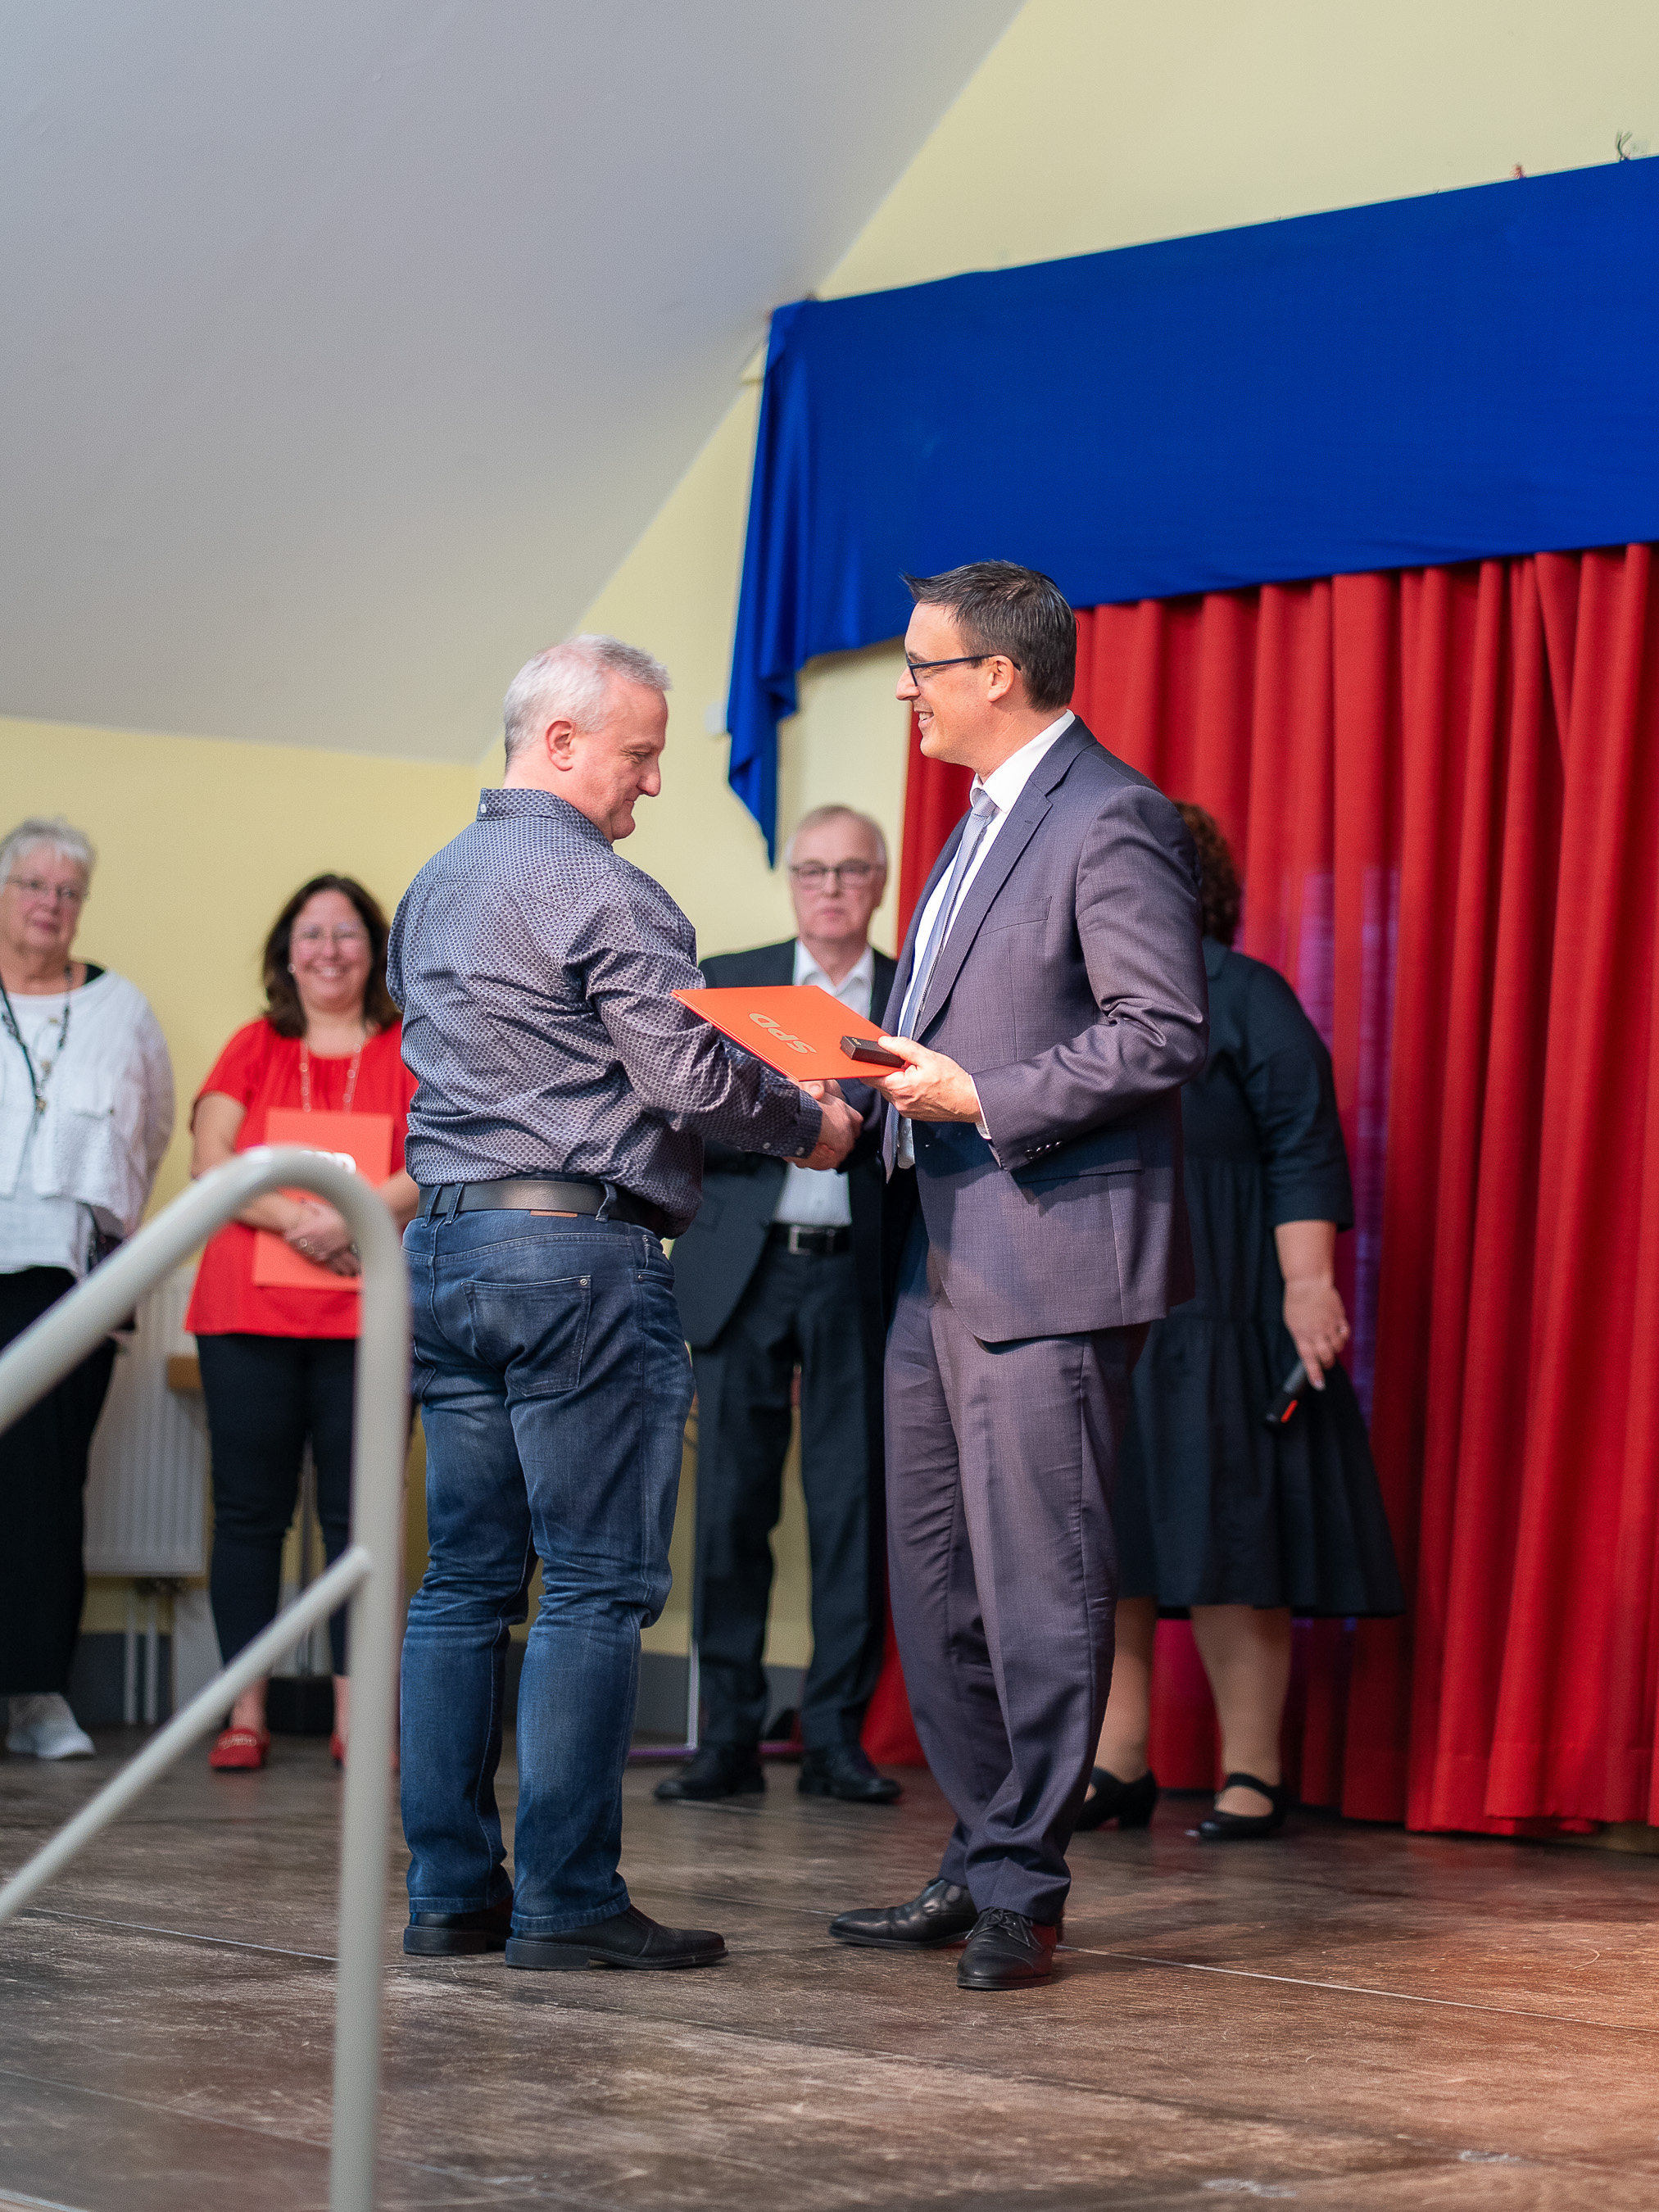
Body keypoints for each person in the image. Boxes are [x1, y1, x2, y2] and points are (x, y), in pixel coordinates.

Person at [389, 634, 860, 1973]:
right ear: (559, 743)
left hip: (449, 1250)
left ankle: (450, 1896)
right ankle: (568, 1901)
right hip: (580, 1262)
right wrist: (812, 1124)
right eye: (640, 755)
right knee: (595, 1582)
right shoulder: (608, 890)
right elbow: (688, 1080)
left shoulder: (433, 885)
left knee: (463, 1580)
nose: (652, 782)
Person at [827, 562, 1208, 1992]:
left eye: (922, 666)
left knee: (1042, 1586)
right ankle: (982, 1851)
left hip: (1046, 1260)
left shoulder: (1111, 816)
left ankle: (1024, 1891)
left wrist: (982, 1095)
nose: (906, 691)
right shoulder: (974, 823)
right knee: (934, 1586)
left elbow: (1162, 1030)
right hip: (935, 1256)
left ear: (998, 673)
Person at [1077, 804, 1404, 1841]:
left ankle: (1252, 1772)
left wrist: (1309, 1285)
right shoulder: (1080, 994)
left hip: (1225, 1309)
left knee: (1234, 1539)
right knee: (1114, 1541)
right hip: (1108, 1305)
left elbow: (1303, 1144)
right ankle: (1118, 1763)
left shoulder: (1249, 993)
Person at [659, 805, 899, 1806]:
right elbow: (677, 1115)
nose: (831, 888)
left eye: (851, 871)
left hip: (860, 1273)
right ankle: (727, 1737)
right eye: (813, 870)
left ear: (879, 882)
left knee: (853, 1510)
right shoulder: (732, 983)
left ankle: (836, 1738)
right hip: (743, 1272)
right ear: (792, 882)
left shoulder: (913, 989)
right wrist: (792, 1118)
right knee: (730, 1507)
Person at [186, 875, 419, 1773]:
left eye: (347, 933)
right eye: (311, 934)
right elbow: (211, 1161)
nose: (328, 950)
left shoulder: (410, 1048)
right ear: (287, 952)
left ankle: (356, 1718)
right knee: (250, 1515)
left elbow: (434, 1158)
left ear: (375, 950)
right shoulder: (254, 1045)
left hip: (372, 1319)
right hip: (247, 1315)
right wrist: (306, 1221)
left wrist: (351, 1216)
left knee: (362, 1521)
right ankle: (243, 1712)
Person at [0, 816, 174, 1760]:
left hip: (67, 1278)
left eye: (68, 891)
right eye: (33, 884)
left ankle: (36, 1693)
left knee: (44, 1488)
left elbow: (151, 1134)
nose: (50, 904)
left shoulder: (121, 1008)